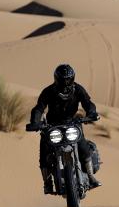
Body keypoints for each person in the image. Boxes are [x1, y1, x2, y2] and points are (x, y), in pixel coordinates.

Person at [29, 64, 102, 194]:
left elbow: (88, 102)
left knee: (84, 148)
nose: (66, 82)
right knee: (44, 154)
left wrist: (91, 113)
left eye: (68, 79)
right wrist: (35, 122)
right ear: (56, 79)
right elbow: (39, 108)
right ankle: (47, 183)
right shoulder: (48, 91)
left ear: (72, 78)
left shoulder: (78, 89)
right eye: (63, 79)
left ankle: (91, 177)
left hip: (72, 123)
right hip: (52, 126)